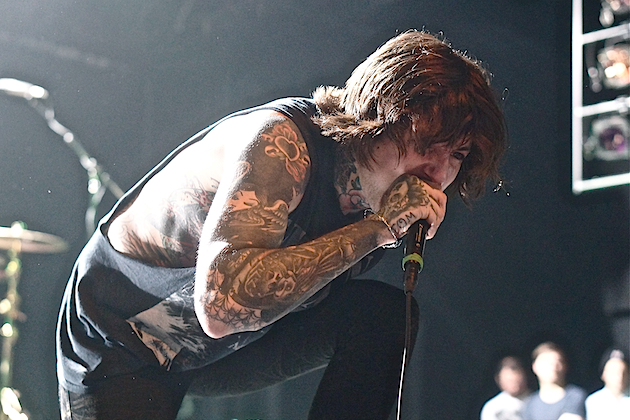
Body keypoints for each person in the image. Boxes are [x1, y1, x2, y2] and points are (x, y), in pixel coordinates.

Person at [56, 30, 507, 420]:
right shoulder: (281, 142)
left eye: (457, 155)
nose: (438, 173)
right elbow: (221, 307)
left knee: (384, 317)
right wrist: (378, 230)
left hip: (224, 348)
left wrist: (379, 226)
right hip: (124, 344)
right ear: (375, 121)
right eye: (426, 144)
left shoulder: (373, 194)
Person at [523, 342, 587, 420]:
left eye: (558, 361)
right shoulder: (530, 404)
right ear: (534, 366)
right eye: (546, 361)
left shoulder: (575, 396)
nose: (553, 366)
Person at [481, 356, 531, 420]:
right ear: (499, 380)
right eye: (509, 381)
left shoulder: (536, 402)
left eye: (515, 380)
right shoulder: (492, 407)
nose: (513, 385)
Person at [585, 348, 630, 420]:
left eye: (623, 372)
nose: (619, 377)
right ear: (603, 374)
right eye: (614, 372)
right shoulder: (594, 401)